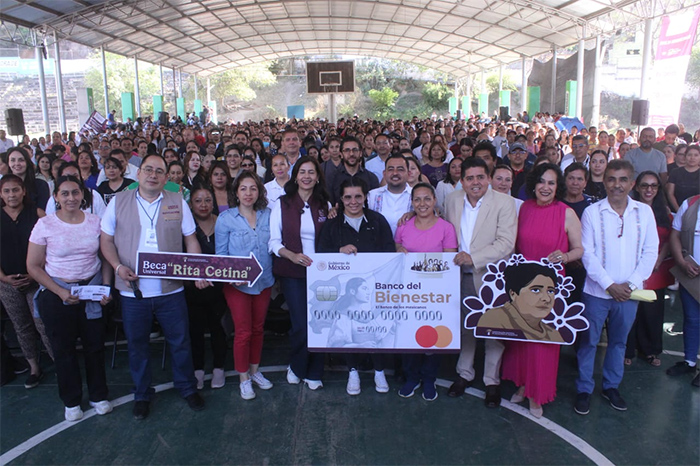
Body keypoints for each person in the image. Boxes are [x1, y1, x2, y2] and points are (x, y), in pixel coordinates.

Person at [100, 153, 207, 420]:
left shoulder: (177, 202)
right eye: (148, 169)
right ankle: (142, 394)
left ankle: (187, 387)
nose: (153, 175)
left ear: (166, 177)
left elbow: (191, 239)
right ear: (138, 174)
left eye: (159, 171)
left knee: (180, 342)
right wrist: (117, 267)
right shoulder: (117, 202)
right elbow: (106, 241)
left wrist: (196, 269)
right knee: (137, 345)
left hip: (171, 290)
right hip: (132, 290)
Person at [575, 160, 659, 415]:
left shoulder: (644, 213)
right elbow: (587, 254)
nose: (617, 185)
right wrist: (609, 285)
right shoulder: (592, 213)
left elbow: (650, 251)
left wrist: (630, 285)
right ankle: (584, 389)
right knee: (588, 342)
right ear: (604, 182)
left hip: (628, 294)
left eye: (623, 180)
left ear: (632, 183)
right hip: (596, 292)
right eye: (611, 179)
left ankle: (611, 387)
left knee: (619, 343)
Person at [26, 175, 113, 421]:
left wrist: (106, 287)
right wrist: (60, 291)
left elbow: (106, 257)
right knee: (63, 350)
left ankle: (98, 395)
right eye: (64, 193)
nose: (71, 198)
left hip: (91, 291)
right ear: (56, 197)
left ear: (83, 195)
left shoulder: (95, 222)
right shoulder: (45, 224)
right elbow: (33, 266)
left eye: (75, 192)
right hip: (58, 294)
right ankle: (71, 400)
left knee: (95, 346)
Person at [500, 163, 583, 418]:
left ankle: (538, 394)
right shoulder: (524, 208)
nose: (545, 187)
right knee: (522, 340)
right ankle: (524, 385)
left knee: (542, 342)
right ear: (534, 184)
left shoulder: (566, 213)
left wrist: (565, 256)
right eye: (541, 181)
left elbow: (579, 249)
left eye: (551, 183)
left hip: (550, 287)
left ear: (558, 187)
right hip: (523, 285)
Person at [443, 157, 517, 407]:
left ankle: (491, 381)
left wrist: (473, 258)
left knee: (493, 330)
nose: (475, 182)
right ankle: (464, 373)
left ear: (489, 178)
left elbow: (506, 243)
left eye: (480, 177)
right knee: (466, 326)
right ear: (462, 181)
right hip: (458, 275)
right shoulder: (452, 199)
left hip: (492, 276)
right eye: (470, 178)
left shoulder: (504, 203)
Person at [318, 178, 396, 395]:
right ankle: (352, 371)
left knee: (374, 329)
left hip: (374, 289)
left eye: (358, 196)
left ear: (365, 197)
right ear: (341, 199)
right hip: (345, 292)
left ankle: (379, 371)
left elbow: (389, 252)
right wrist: (338, 251)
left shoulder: (377, 221)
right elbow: (320, 255)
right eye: (348, 197)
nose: (353, 201)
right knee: (349, 330)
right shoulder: (332, 225)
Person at [269, 156, 330, 390]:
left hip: (321, 274)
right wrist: (292, 255)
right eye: (302, 172)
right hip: (292, 272)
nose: (306, 176)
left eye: (311, 172)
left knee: (320, 323)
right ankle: (296, 366)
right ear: (295, 177)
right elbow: (273, 242)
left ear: (317, 178)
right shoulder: (282, 204)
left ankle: (315, 371)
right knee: (301, 325)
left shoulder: (325, 204)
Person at [395, 183, 458, 400]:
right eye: (417, 199)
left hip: (436, 293)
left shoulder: (446, 228)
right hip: (409, 293)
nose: (422, 204)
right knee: (409, 336)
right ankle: (412, 378)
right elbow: (396, 249)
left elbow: (449, 263)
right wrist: (399, 249)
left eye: (427, 198)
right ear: (412, 202)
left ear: (434, 201)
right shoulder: (403, 226)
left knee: (432, 338)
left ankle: (429, 378)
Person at [216, 172, 275, 399]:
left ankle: (254, 371)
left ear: (259, 191)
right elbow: (221, 256)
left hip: (264, 281)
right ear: (236, 192)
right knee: (243, 332)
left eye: (253, 188)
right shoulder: (226, 219)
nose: (248, 193)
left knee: (258, 328)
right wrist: (232, 276)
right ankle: (243, 378)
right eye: (243, 188)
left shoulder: (269, 215)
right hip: (237, 286)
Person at [0, 174, 54, 389]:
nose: (11, 195)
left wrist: (35, 274)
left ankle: (59, 362)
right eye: (6, 191)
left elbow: (52, 248)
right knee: (21, 326)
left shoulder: (38, 214)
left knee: (43, 323)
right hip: (7, 283)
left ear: (23, 191)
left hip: (37, 280)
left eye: (15, 190)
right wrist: (3, 278)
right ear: (1, 194)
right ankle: (34, 368)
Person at [625, 171, 674, 367]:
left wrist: (658, 260)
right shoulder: (629, 209)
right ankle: (627, 350)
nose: (649, 189)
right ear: (637, 187)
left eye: (654, 186)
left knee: (652, 312)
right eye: (645, 185)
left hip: (656, 269)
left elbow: (670, 239)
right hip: (631, 268)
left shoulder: (664, 212)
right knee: (630, 309)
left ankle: (650, 350)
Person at [183, 186, 228, 390]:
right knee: (195, 329)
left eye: (208, 200)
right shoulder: (185, 225)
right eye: (198, 200)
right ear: (191, 204)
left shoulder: (223, 222)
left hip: (219, 287)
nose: (203, 205)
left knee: (219, 328)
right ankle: (198, 370)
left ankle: (219, 367)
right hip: (192, 288)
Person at [477, 264, 562, 343]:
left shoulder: (553, 334)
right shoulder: (494, 319)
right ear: (513, 294)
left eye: (550, 291)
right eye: (536, 290)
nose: (546, 299)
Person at [665, 193, 700, 387]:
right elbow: (675, 235)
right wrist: (681, 262)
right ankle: (689, 362)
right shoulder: (689, 204)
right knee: (692, 319)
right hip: (691, 273)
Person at [367, 155, 413, 236]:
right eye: (391, 169)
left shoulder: (417, 196)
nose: (395, 173)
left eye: (400, 169)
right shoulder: (372, 196)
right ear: (384, 174)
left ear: (408, 174)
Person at [666, 144, 700, 212]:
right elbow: (670, 193)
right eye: (689, 155)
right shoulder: (675, 172)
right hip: (677, 211)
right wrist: (679, 210)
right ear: (685, 156)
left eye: (696, 155)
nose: (692, 158)